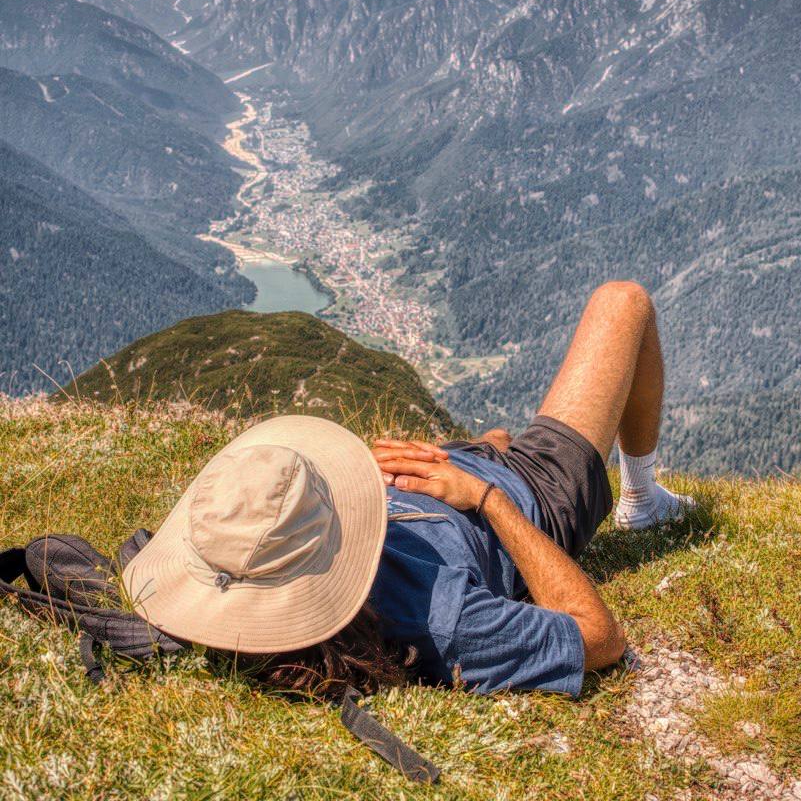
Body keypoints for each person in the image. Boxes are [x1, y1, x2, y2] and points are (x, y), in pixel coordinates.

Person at [124, 280, 694, 699]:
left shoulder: (240, 551)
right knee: (623, 303)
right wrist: (483, 498)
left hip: (445, 478)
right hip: (532, 491)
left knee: (492, 434)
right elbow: (600, 639)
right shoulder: (441, 617)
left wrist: (361, 483)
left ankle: (480, 448)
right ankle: (641, 501)